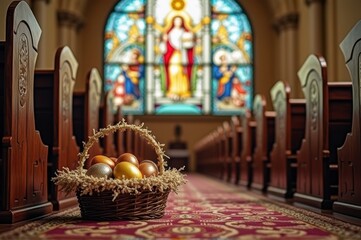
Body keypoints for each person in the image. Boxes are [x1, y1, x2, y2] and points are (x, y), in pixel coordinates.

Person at [160, 16, 195, 99]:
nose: (178, 23)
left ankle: (183, 92)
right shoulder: (169, 33)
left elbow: (190, 45)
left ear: (182, 22)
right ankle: (173, 91)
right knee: (173, 71)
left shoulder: (186, 33)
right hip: (173, 56)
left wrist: (191, 40)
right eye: (176, 21)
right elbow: (163, 50)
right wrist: (164, 41)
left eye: (179, 21)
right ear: (173, 22)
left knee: (183, 73)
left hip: (182, 55)